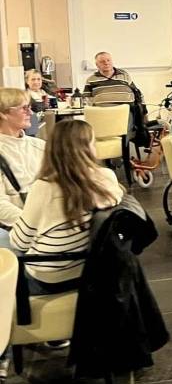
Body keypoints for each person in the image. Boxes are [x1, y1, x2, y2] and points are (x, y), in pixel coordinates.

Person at [9, 119, 122, 294]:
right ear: (87, 148)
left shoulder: (44, 186)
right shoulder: (107, 177)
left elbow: (20, 242)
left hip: (52, 276)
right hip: (94, 266)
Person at [0, 89, 46, 250]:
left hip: (48, 224)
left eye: (30, 107)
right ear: (4, 114)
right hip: (14, 229)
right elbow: (1, 206)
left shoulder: (40, 146)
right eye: (24, 108)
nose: (30, 113)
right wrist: (33, 224)